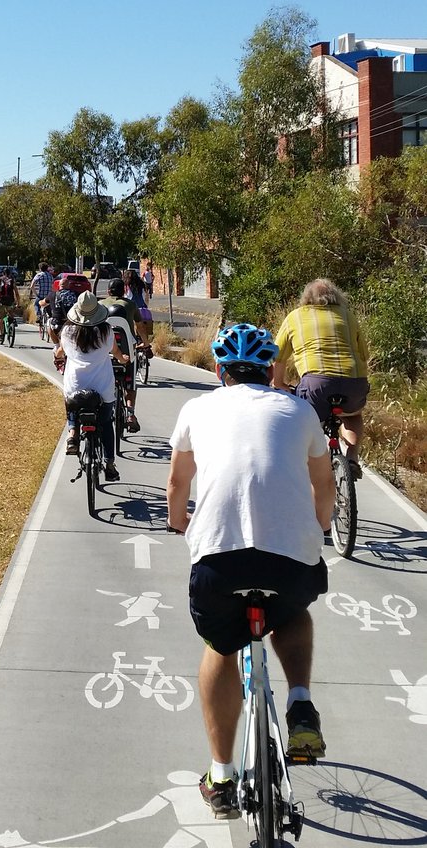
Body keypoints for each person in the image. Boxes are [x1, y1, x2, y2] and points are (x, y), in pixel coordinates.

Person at [166, 322, 335, 820]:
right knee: (293, 611)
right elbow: (323, 486)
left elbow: (178, 480)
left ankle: (220, 777)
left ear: (220, 371)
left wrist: (180, 523)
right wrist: (318, 528)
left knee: (221, 645)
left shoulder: (197, 409)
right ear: (272, 371)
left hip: (219, 563)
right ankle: (300, 703)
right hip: (289, 561)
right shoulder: (300, 410)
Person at [272, 278, 370, 480]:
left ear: (306, 298)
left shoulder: (295, 317)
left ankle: (311, 466)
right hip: (354, 383)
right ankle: (352, 457)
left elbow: (277, 356)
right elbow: (364, 354)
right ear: (336, 296)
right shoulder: (348, 316)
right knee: (352, 416)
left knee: (307, 422)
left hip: (317, 385)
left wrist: (279, 384)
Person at [52, 291, 131, 476]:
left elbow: (60, 353)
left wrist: (56, 353)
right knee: (105, 422)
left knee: (71, 405)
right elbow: (117, 353)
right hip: (103, 388)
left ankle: (72, 434)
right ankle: (109, 463)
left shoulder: (68, 332)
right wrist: (123, 359)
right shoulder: (106, 331)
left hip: (75, 387)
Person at [104, 277, 142, 432]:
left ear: (108, 291)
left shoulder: (101, 305)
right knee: (130, 383)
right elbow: (140, 326)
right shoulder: (130, 304)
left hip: (105, 355)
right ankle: (130, 414)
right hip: (127, 355)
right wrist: (145, 343)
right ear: (124, 290)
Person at [44, 272, 91, 345]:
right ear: (69, 285)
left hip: (58, 324)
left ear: (59, 286)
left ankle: (56, 345)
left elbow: (43, 303)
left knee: (49, 322)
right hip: (72, 323)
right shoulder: (76, 294)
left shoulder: (52, 295)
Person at [0, 267, 20, 339]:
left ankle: (1, 334)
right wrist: (18, 303)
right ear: (10, 273)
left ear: (2, 273)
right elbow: (16, 293)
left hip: (1, 300)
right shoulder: (12, 281)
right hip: (10, 301)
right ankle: (12, 321)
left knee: (1, 318)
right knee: (10, 312)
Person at [29, 261, 53, 328]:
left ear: (40, 269)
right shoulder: (50, 276)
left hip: (41, 296)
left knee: (36, 304)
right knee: (49, 307)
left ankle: (39, 315)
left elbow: (32, 286)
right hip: (49, 296)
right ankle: (50, 318)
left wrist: (36, 294)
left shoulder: (39, 275)